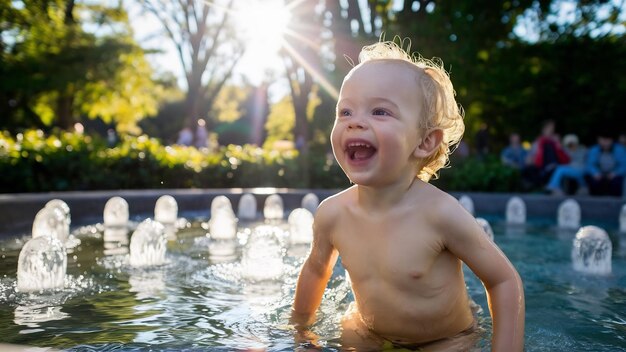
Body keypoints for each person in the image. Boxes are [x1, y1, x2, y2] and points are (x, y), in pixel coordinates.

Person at [291, 41, 525, 351]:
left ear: (425, 142)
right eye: (345, 110)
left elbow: (504, 281)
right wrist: (300, 330)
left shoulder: (440, 214)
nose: (355, 121)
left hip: (445, 339)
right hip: (367, 333)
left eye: (380, 111)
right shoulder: (331, 214)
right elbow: (316, 269)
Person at [522, 120, 570, 190]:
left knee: (558, 169)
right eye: (549, 128)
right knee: (528, 169)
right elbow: (530, 156)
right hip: (542, 167)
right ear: (544, 129)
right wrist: (530, 159)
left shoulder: (556, 142)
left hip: (555, 166)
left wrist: (558, 145)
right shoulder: (538, 142)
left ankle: (553, 187)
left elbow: (565, 158)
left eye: (553, 128)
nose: (551, 130)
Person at [584, 132, 626, 196]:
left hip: (614, 174)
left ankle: (615, 200)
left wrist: (615, 173)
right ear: (599, 140)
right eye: (603, 140)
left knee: (617, 181)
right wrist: (595, 173)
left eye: (607, 140)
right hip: (599, 174)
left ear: (611, 140)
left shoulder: (619, 150)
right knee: (590, 178)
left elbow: (623, 165)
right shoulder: (594, 149)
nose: (605, 143)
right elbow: (589, 164)